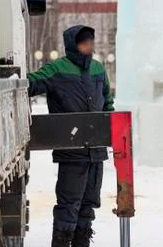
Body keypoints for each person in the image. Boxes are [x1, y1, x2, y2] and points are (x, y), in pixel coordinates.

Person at [28, 25, 114, 247]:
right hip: (72, 150)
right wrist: (17, 80)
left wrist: (109, 127)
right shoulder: (58, 69)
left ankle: (82, 243)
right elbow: (32, 83)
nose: (89, 46)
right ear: (73, 44)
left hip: (96, 150)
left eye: (91, 42)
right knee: (69, 204)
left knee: (89, 204)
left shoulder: (97, 69)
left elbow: (107, 100)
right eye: (85, 42)